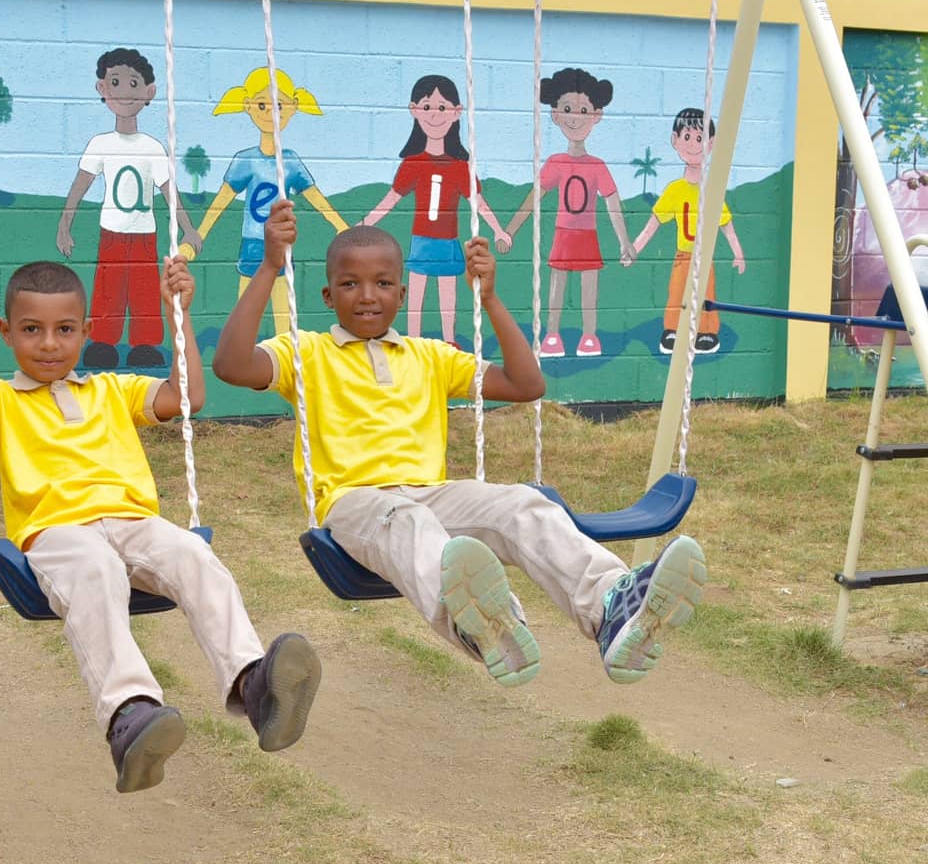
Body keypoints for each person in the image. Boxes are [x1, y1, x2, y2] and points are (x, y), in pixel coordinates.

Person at [212, 199, 708, 690]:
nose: (367, 295)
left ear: (402, 293)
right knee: (409, 522)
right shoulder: (306, 351)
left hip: (430, 493)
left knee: (519, 504)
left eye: (383, 283)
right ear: (327, 295)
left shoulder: (429, 356)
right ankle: (484, 628)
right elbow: (232, 365)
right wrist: (270, 268)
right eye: (350, 284)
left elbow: (525, 384)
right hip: (353, 504)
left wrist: (490, 298)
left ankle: (612, 607)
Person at [0, 249, 321, 793]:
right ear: (4, 332)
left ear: (87, 330)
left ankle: (255, 683)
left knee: (191, 553)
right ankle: (131, 715)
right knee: (96, 570)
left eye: (64, 329)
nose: (49, 343)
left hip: (132, 520)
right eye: (31, 329)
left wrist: (177, 312)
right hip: (58, 533)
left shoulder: (112, 389)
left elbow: (187, 398)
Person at [57, 47, 203, 371]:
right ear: (102, 88)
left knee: (144, 290)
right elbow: (80, 186)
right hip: (111, 231)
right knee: (108, 288)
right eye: (116, 82)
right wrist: (64, 225)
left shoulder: (153, 148)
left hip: (143, 233)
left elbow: (169, 192)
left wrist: (187, 228)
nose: (124, 92)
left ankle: (145, 344)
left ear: (149, 93)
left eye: (133, 84)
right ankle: (104, 342)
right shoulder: (100, 144)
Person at [179, 67, 348, 337]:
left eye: (279, 105)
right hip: (252, 243)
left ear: (292, 109)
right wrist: (199, 234)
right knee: (245, 315)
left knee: (284, 317)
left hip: (282, 245)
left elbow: (314, 196)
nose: (271, 113)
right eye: (262, 105)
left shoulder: (290, 161)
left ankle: (284, 372)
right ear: (248, 106)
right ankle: (241, 363)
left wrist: (342, 227)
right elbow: (222, 199)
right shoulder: (246, 160)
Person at [363, 74, 511, 347]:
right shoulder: (413, 162)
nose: (434, 115)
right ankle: (411, 341)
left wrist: (499, 230)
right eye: (427, 107)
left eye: (442, 107)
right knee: (415, 291)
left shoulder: (459, 165)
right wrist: (366, 222)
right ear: (414, 110)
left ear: (456, 113)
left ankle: (449, 341)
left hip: (447, 240)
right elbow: (392, 197)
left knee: (447, 293)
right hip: (422, 239)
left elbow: (477, 201)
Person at [504, 67, 635, 359]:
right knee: (557, 284)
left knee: (590, 285)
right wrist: (510, 229)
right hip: (564, 233)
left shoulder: (597, 166)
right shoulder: (556, 162)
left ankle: (590, 335)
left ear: (596, 115)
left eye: (583, 110)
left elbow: (612, 203)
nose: (575, 117)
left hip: (588, 234)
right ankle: (552, 334)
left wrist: (625, 242)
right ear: (556, 115)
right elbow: (534, 198)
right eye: (567, 109)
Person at [632, 107, 746, 355]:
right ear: (675, 140)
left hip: (705, 259)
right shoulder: (675, 190)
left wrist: (738, 253)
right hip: (683, 256)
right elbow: (653, 224)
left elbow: (727, 226)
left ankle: (706, 333)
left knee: (706, 294)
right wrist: (634, 249)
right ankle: (672, 331)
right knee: (676, 293)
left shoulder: (712, 189)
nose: (693, 145)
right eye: (687, 137)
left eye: (699, 139)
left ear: (710, 143)